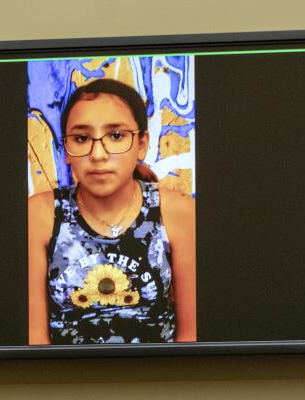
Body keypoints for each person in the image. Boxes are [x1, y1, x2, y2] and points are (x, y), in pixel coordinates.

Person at [28, 78, 196, 345]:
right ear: (66, 150)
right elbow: (34, 342)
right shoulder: (40, 215)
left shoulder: (176, 212)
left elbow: (191, 337)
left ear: (142, 143)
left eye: (116, 136)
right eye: (82, 138)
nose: (98, 154)